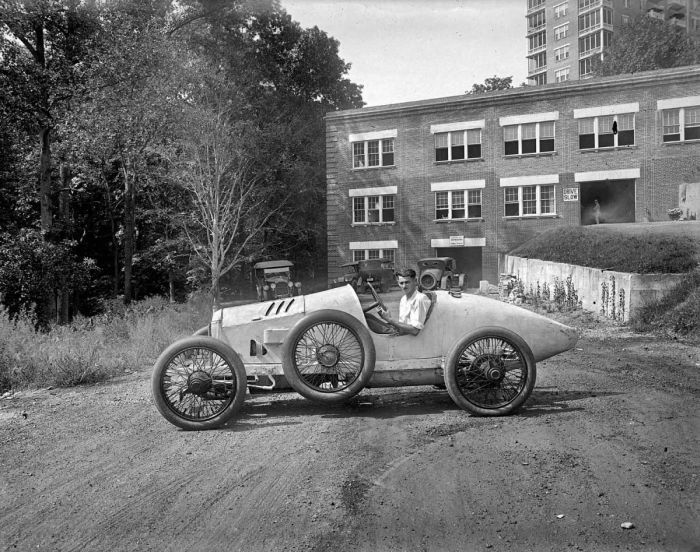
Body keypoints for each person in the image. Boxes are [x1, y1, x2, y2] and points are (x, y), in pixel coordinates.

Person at [377, 268, 432, 336]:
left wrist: (389, 320)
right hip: (401, 332)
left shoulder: (420, 299)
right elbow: (402, 323)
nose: (404, 286)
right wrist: (388, 317)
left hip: (410, 338)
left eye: (407, 282)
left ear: (415, 281)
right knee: (368, 317)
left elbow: (415, 330)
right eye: (401, 283)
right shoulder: (403, 299)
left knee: (370, 322)